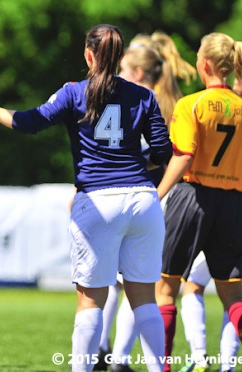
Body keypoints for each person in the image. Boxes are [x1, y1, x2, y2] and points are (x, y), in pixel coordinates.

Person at [0, 24, 172, 372]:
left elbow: (28, 122)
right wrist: (132, 165)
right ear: (121, 57)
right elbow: (163, 152)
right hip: (142, 199)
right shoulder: (144, 96)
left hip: (97, 201)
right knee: (144, 299)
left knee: (90, 301)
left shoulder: (73, 92)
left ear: (88, 54)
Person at [154, 33, 242, 372]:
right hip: (235, 203)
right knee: (234, 297)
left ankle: (163, 367)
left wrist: (157, 195)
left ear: (206, 65)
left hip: (193, 197)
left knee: (166, 290)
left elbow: (183, 156)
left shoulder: (191, 104)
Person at [97, 38, 195, 372]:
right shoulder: (175, 101)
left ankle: (115, 356)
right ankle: (117, 356)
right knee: (138, 286)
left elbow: (159, 155)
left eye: (123, 70)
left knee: (129, 285)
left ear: (138, 72)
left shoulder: (142, 101)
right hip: (158, 201)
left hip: (144, 197)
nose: (118, 76)